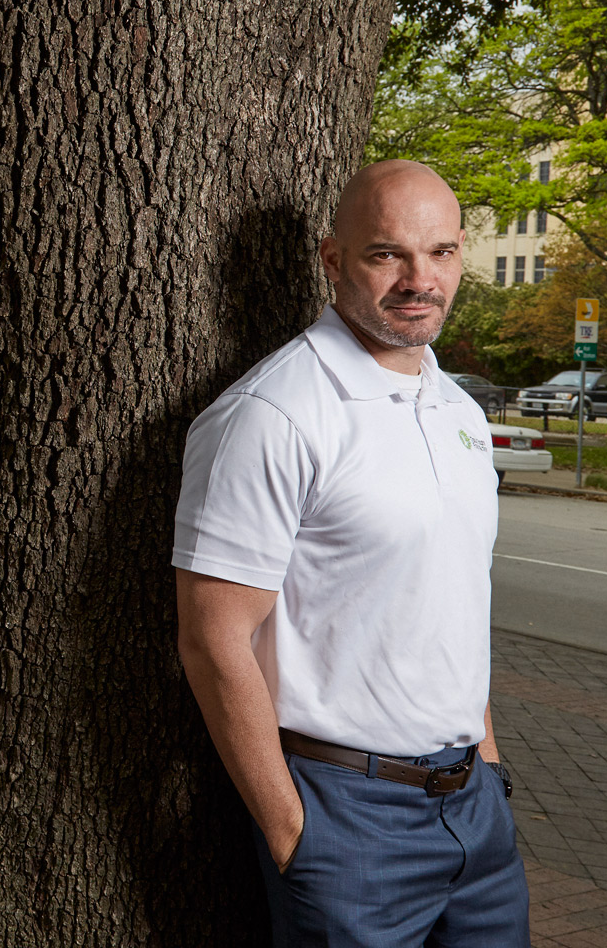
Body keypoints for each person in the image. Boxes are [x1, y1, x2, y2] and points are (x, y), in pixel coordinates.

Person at [173, 160, 527, 946]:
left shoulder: (460, 414)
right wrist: (289, 827)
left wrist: (491, 771)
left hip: (476, 813)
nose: (419, 279)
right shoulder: (273, 414)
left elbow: (454, 603)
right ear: (333, 260)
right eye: (386, 254)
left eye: (440, 252)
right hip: (347, 821)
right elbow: (211, 637)